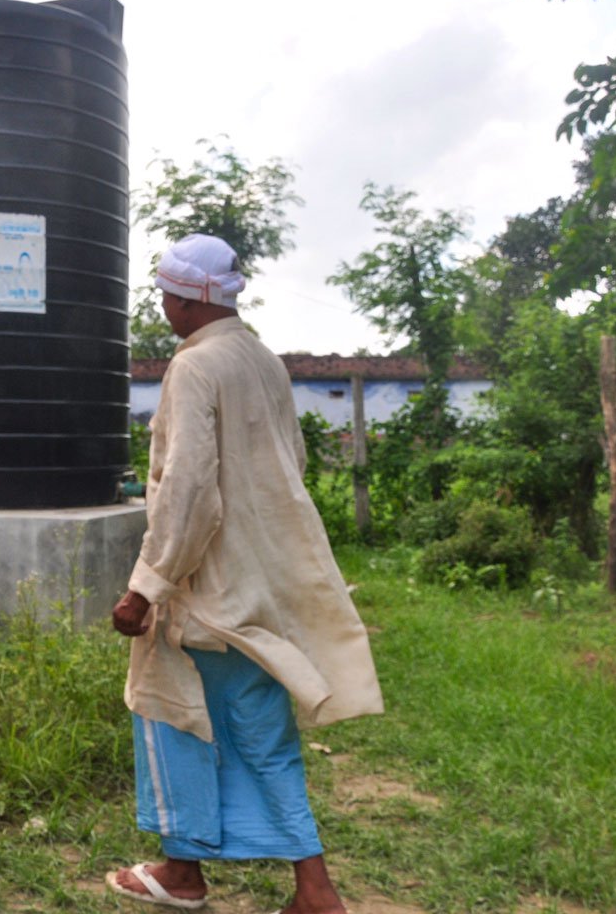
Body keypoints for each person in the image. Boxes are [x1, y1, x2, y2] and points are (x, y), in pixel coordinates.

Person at [108, 234, 383, 914]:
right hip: (262, 588)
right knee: (263, 736)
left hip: (208, 593)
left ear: (196, 298)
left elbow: (190, 491)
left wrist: (147, 586)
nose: (164, 304)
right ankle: (310, 887)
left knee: (173, 717)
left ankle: (183, 872)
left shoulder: (196, 368)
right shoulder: (261, 359)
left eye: (170, 293)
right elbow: (283, 466)